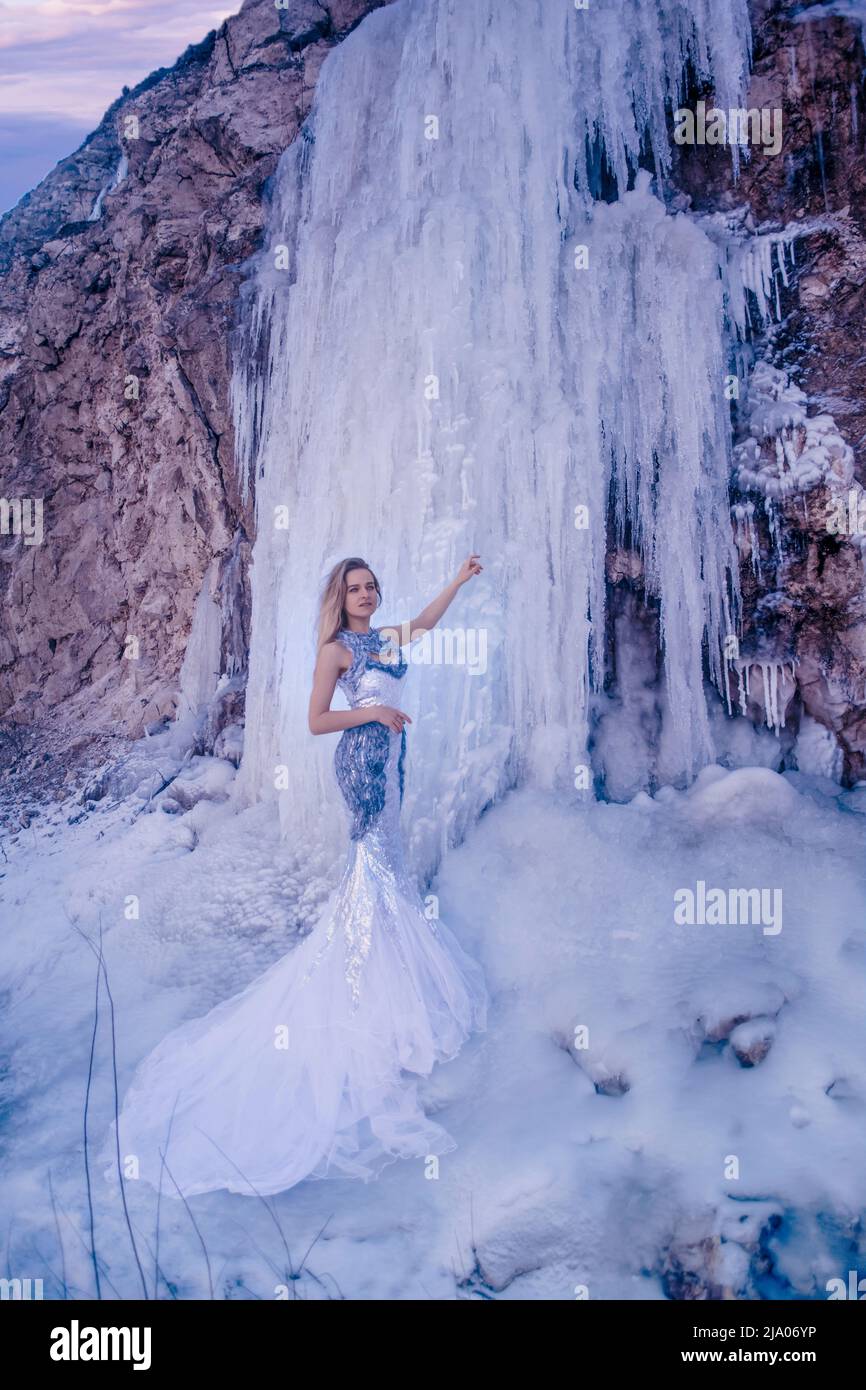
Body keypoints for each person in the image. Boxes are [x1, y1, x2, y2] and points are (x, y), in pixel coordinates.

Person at [100, 555, 488, 1198]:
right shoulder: (336, 650)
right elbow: (316, 720)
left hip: (391, 757)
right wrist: (374, 716)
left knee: (387, 871)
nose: (365, 594)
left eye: (371, 585)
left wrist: (457, 580)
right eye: (354, 587)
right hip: (363, 758)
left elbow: (422, 623)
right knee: (372, 871)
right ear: (340, 596)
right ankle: (362, 991)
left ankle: (382, 978)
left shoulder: (382, 637)